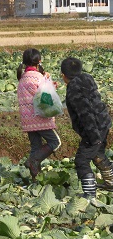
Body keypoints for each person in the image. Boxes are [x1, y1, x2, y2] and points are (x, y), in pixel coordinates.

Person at [61, 57, 112, 198]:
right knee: (98, 154)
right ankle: (111, 182)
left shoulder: (74, 90)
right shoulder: (87, 79)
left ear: (63, 75)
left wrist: (94, 138)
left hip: (93, 129)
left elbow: (86, 114)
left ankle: (89, 195)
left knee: (81, 160)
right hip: (103, 123)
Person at [17, 48, 61, 180]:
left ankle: (35, 179)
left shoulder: (22, 78)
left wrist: (48, 84)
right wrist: (50, 85)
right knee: (55, 142)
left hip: (27, 120)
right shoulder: (39, 77)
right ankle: (33, 160)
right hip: (40, 119)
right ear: (39, 61)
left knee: (35, 147)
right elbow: (45, 99)